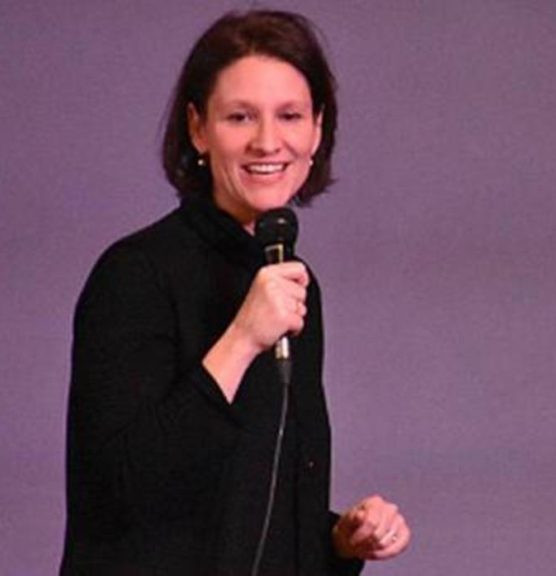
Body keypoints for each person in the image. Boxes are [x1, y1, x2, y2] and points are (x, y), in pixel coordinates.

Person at [61, 10, 410, 575]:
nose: (267, 142)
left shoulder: (292, 282)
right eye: (240, 117)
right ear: (198, 128)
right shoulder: (136, 274)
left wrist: (339, 540)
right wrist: (242, 339)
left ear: (317, 129)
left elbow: (252, 508)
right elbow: (119, 494)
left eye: (290, 115)